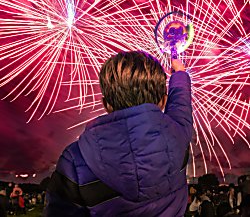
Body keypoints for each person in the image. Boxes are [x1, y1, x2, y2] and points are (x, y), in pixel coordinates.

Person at [45, 51, 193, 217]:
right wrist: (180, 74)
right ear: (164, 101)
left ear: (105, 104)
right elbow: (181, 106)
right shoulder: (179, 136)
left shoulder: (75, 159)